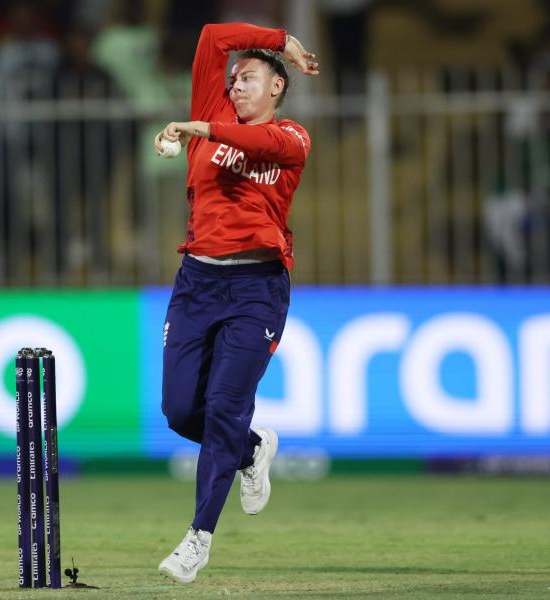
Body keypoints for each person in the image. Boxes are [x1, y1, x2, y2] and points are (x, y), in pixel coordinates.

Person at [153, 22, 318, 584]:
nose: (237, 84)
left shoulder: (292, 138)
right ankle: (250, 450)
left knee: (224, 404)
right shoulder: (213, 108)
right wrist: (280, 40)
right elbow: (209, 36)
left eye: (250, 78)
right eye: (235, 78)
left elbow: (255, 142)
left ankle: (197, 538)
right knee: (179, 411)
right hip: (197, 282)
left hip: (258, 288)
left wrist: (194, 126)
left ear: (277, 87)